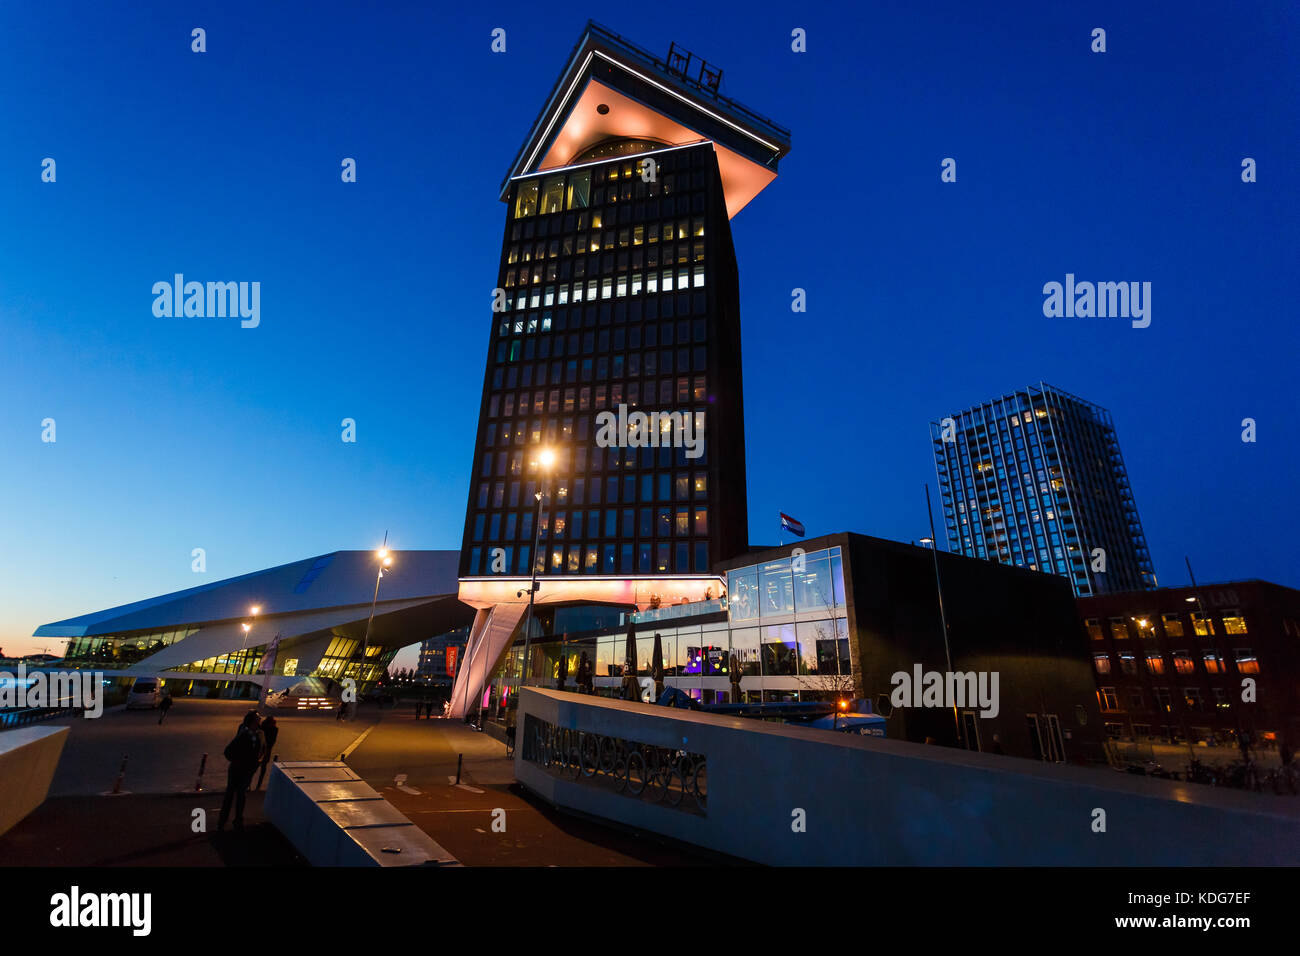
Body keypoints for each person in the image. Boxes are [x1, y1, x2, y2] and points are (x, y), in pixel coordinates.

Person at [218, 711, 262, 831]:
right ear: (253, 721)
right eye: (258, 718)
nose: (260, 720)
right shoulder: (244, 735)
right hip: (237, 770)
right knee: (232, 794)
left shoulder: (256, 736)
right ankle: (224, 820)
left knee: (239, 795)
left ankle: (236, 820)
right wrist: (238, 761)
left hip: (246, 771)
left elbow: (256, 754)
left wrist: (254, 766)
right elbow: (228, 751)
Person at [254, 715, 279, 790]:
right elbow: (272, 741)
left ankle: (252, 785)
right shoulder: (274, 729)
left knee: (255, 767)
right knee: (263, 767)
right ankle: (259, 785)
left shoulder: (262, 727)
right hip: (267, 750)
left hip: (261, 750)